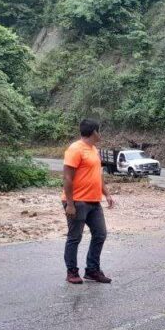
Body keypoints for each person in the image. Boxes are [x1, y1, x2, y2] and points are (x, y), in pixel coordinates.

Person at [62, 119, 114, 284]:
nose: (100, 134)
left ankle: (92, 270)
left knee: (100, 234)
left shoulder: (94, 150)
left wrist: (107, 194)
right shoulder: (75, 149)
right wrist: (70, 204)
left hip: (94, 201)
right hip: (77, 201)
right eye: (99, 131)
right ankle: (72, 272)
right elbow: (67, 178)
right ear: (94, 132)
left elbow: (98, 175)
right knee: (75, 237)